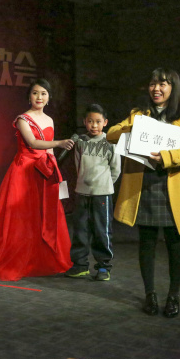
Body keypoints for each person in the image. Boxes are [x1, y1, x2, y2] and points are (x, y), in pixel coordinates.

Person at [106, 67, 180, 318]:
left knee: (175, 243)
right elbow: (111, 134)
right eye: (153, 83)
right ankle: (150, 295)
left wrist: (168, 156)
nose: (157, 89)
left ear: (173, 88)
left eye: (163, 84)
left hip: (173, 185)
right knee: (147, 242)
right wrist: (132, 129)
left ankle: (173, 296)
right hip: (145, 184)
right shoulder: (139, 115)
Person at [0, 79, 74, 282]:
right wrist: (59, 143)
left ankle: (40, 260)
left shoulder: (49, 120)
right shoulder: (23, 119)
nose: (39, 97)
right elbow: (33, 142)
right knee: (21, 218)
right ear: (29, 96)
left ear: (49, 97)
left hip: (44, 171)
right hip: (24, 172)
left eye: (43, 93)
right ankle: (16, 260)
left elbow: (49, 150)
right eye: (35, 93)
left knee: (43, 217)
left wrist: (55, 174)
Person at [65, 103, 121, 281]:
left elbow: (116, 169)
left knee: (101, 230)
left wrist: (104, 185)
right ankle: (80, 265)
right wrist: (84, 183)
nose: (94, 125)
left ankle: (103, 266)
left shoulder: (110, 143)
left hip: (102, 194)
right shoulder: (81, 142)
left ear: (105, 122)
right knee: (80, 229)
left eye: (98, 121)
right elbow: (77, 165)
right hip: (82, 192)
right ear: (84, 122)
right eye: (90, 121)